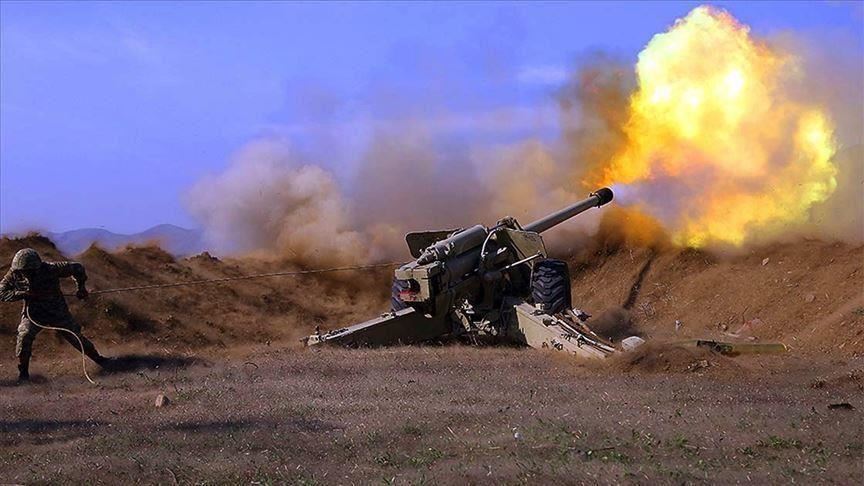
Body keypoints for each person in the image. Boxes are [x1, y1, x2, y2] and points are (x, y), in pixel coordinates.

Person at [0, 248, 111, 383]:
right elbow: (1, 292)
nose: (25, 273)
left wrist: (81, 288)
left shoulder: (51, 268)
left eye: (29, 271)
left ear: (37, 267)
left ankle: (100, 360)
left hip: (57, 312)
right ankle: (23, 374)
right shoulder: (14, 274)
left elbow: (77, 268)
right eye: (22, 271)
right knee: (24, 336)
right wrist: (21, 294)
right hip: (34, 314)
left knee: (75, 337)